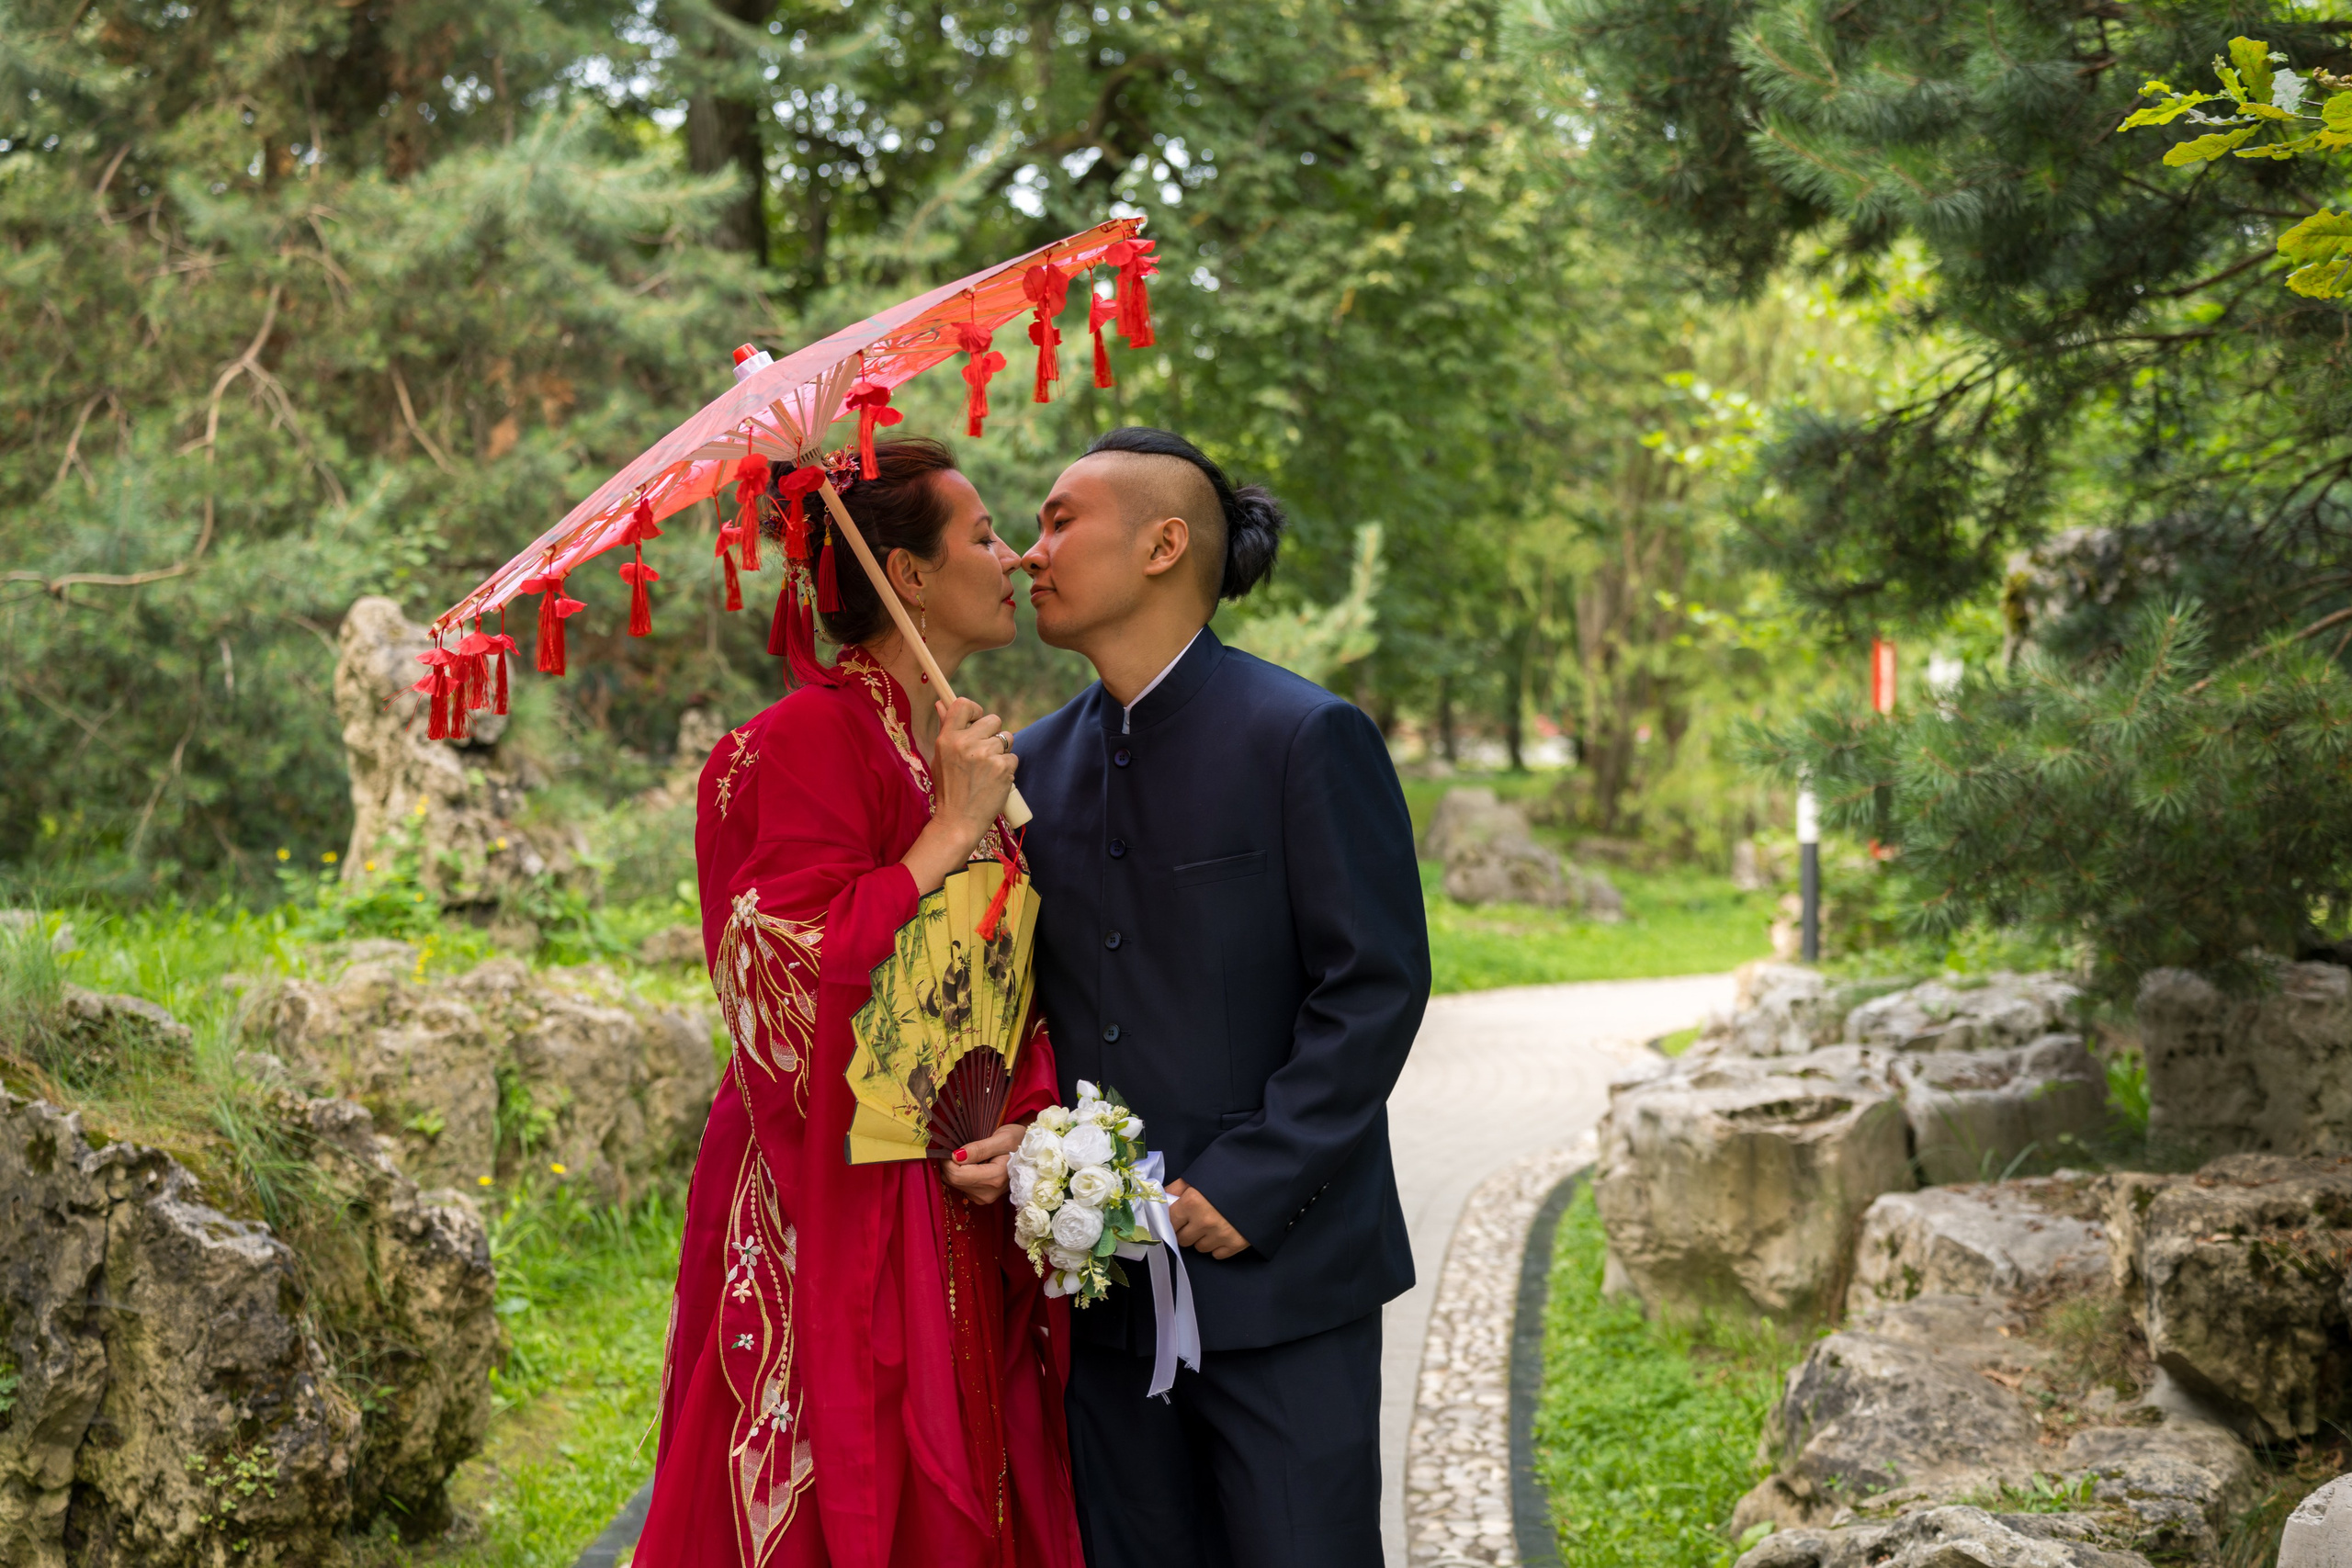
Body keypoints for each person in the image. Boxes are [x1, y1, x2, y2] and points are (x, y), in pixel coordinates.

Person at [632, 437, 1083, 1568]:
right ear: (908, 574)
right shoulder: (795, 744)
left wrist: (1021, 1112)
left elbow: (1002, 977)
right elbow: (776, 965)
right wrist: (947, 832)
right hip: (822, 1187)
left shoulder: (955, 743)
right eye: (983, 535)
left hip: (957, 1187)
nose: (1014, 555)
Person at [1012, 427, 1431, 1567]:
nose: (1025, 553)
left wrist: (1252, 1183)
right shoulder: (1022, 771)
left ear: (1162, 544)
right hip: (1100, 1293)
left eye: (1059, 522)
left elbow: (1376, 986)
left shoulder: (1305, 736)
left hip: (1283, 1277)